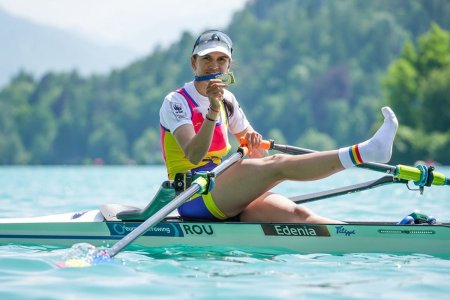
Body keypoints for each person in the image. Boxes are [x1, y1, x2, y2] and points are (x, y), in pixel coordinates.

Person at [159, 30, 398, 224]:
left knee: (298, 215)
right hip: (193, 195)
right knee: (278, 165)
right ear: (194, 63)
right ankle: (365, 152)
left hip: (223, 187)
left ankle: (365, 237)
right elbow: (193, 154)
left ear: (229, 67)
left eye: (221, 60)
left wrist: (252, 145)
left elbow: (259, 156)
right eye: (207, 59)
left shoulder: (228, 101)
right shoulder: (176, 102)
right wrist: (212, 108)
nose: (214, 66)